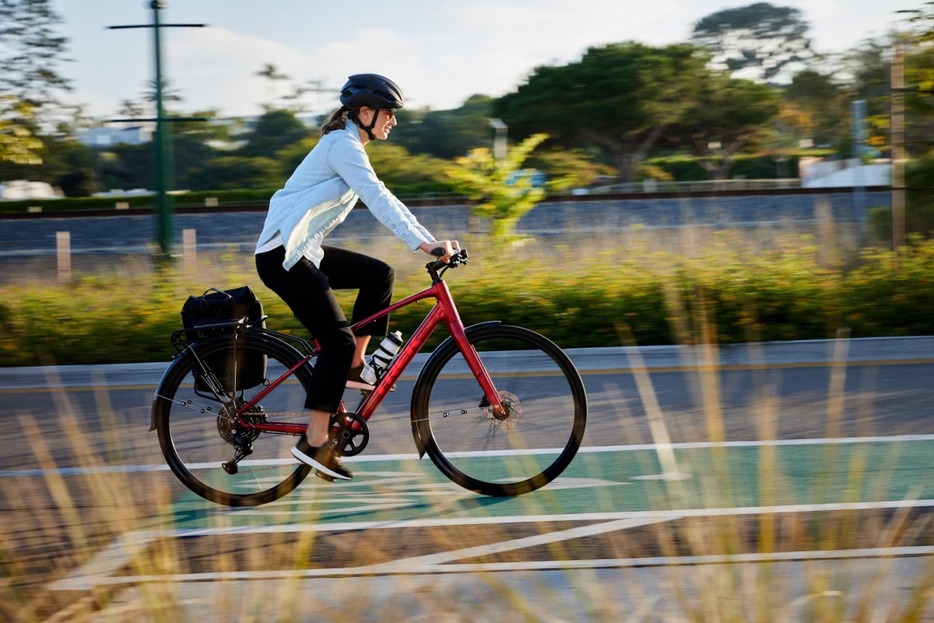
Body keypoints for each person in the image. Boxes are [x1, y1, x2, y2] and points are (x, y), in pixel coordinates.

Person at [254, 73, 459, 482]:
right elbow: (379, 196)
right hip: (282, 256)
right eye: (388, 113)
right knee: (336, 338)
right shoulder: (341, 146)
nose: (393, 121)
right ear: (364, 113)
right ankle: (314, 440)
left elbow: (382, 197)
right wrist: (425, 243)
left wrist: (424, 240)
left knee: (378, 273)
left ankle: (352, 366)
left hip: (300, 249)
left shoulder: (346, 145)